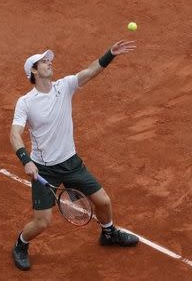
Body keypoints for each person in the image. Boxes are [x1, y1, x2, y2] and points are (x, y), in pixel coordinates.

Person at [10, 40, 139, 271]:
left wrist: (110, 54)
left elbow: (90, 72)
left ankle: (108, 233)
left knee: (104, 202)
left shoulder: (65, 86)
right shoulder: (25, 103)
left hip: (71, 163)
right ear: (33, 70)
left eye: (49, 60)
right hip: (44, 169)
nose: (50, 63)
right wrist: (25, 160)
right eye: (44, 62)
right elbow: (15, 134)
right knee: (42, 222)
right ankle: (21, 244)